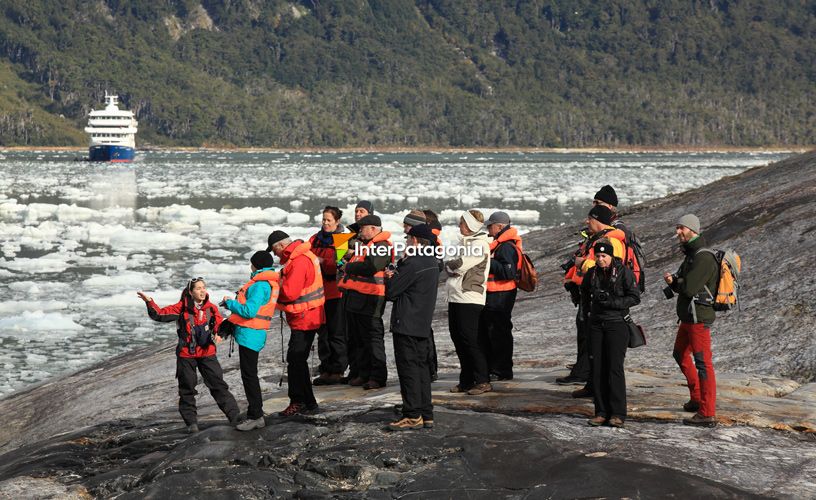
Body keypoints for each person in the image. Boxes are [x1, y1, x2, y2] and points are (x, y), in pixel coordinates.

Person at [138, 279, 240, 433]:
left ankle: (235, 417)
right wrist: (149, 302)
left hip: (207, 353)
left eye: (204, 287)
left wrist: (221, 333)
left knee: (218, 385)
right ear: (191, 292)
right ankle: (192, 424)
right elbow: (159, 315)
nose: (202, 291)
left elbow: (220, 326)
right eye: (198, 288)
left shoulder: (211, 309)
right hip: (186, 355)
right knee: (187, 389)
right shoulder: (181, 308)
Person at [558, 205, 626, 395]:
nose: (587, 222)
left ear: (598, 220)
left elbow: (614, 268)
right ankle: (590, 382)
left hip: (603, 302)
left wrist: (583, 264)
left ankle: (597, 387)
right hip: (588, 296)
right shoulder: (596, 238)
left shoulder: (613, 240)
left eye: (590, 218)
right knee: (589, 340)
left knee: (598, 344)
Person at [664, 214, 719, 427]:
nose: (678, 232)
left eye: (681, 228)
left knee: (704, 364)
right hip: (688, 317)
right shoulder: (692, 254)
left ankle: (707, 412)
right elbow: (683, 286)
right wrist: (676, 282)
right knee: (679, 354)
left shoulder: (703, 257)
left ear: (692, 230)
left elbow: (688, 288)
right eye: (677, 227)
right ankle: (697, 399)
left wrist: (676, 282)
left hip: (698, 319)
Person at [384, 224, 441, 430]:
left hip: (406, 322)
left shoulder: (413, 263)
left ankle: (412, 414)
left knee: (408, 369)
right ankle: (426, 413)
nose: (407, 241)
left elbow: (392, 292)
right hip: (423, 323)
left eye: (408, 238)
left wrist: (390, 276)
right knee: (422, 369)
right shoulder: (432, 262)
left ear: (415, 240)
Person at [580, 241, 640, 428]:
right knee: (597, 368)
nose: (600, 259)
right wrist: (587, 312)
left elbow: (635, 297)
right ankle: (601, 411)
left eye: (603, 256)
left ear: (611, 257)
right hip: (597, 324)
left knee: (614, 368)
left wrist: (613, 302)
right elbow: (583, 293)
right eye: (597, 256)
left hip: (617, 324)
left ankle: (618, 413)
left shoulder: (624, 273)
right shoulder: (592, 274)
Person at [267, 230, 326, 416]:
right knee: (297, 360)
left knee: (296, 360)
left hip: (305, 316)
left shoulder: (298, 260)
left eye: (274, 251)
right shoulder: (301, 255)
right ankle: (306, 402)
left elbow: (290, 292)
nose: (275, 255)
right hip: (308, 315)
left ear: (281, 246)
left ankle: (302, 402)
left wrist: (273, 288)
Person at [222, 251, 281, 431]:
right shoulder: (269, 282)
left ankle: (256, 416)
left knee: (249, 376)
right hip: (255, 333)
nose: (250, 267)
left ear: (256, 265)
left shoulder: (259, 285)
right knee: (249, 375)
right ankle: (253, 412)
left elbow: (249, 311)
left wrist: (229, 303)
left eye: (252, 264)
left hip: (251, 333)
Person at [338, 214, 393, 390]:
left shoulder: (381, 246)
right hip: (357, 298)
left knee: (372, 338)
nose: (359, 231)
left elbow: (370, 267)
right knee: (359, 339)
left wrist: (347, 267)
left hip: (372, 299)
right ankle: (363, 373)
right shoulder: (367, 246)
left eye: (362, 228)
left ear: (373, 229)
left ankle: (377, 376)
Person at [445, 210, 492, 395]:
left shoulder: (479, 244)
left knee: (470, 340)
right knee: (458, 339)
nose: (459, 226)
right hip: (455, 296)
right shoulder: (464, 243)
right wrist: (450, 265)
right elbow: (448, 261)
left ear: (471, 226)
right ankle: (466, 380)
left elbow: (458, 264)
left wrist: (451, 265)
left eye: (462, 223)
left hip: (469, 297)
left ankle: (482, 380)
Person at [480, 211, 522, 382]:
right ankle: (497, 368)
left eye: (490, 225)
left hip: (501, 295)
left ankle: (502, 370)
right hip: (496, 294)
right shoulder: (501, 244)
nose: (488, 229)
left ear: (499, 226)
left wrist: (487, 260)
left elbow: (508, 271)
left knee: (499, 332)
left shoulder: (505, 246)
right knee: (494, 332)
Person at [309, 206, 348, 386]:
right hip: (317, 293)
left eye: (328, 220)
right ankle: (326, 368)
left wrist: (323, 262)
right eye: (323, 220)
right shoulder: (315, 239)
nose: (325, 223)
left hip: (335, 292)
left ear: (337, 222)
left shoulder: (342, 240)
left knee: (336, 332)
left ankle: (338, 369)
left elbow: (340, 266)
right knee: (322, 332)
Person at [423, 209, 443, 381]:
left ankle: (429, 369)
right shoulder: (433, 239)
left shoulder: (431, 240)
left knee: (424, 330)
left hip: (423, 292)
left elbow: (437, 264)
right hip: (427, 289)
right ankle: (431, 369)